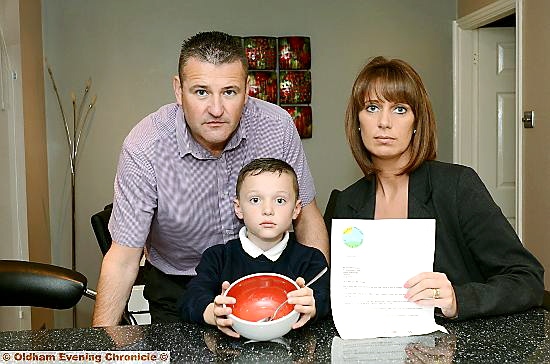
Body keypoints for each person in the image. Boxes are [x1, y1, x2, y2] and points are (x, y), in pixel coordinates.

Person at [92, 31, 328, 326]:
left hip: (270, 284)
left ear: (247, 89)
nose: (216, 109)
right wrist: (100, 347)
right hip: (179, 287)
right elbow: (124, 258)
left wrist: (318, 295)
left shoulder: (277, 127)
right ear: (178, 90)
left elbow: (307, 215)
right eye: (201, 91)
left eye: (229, 92)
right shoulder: (145, 145)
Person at [333, 56, 544, 320]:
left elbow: (527, 279)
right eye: (372, 108)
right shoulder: (347, 202)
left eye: (400, 109)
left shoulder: (456, 186)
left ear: (416, 123)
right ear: (358, 121)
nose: (384, 122)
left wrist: (458, 299)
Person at [179, 158, 330, 337]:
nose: (268, 210)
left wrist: (313, 305)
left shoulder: (311, 260)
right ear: (238, 208)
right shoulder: (218, 257)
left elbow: (329, 298)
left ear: (296, 209)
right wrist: (213, 312)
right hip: (230, 353)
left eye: (280, 200)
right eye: (255, 199)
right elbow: (189, 299)